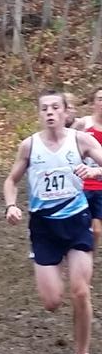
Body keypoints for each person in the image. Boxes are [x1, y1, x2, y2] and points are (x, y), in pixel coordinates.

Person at [3, 89, 102, 354]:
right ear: (39, 113)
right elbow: (11, 180)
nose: (49, 112)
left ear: (64, 112)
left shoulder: (81, 140)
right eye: (44, 108)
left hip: (76, 221)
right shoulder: (29, 147)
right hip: (43, 227)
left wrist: (95, 173)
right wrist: (11, 205)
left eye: (55, 107)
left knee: (81, 291)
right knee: (51, 302)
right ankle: (54, 270)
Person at [73, 87, 102, 251]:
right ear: (93, 103)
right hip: (81, 184)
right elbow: (66, 138)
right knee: (79, 225)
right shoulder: (84, 123)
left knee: (97, 230)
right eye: (100, 98)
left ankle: (88, 255)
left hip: (100, 185)